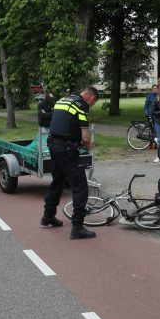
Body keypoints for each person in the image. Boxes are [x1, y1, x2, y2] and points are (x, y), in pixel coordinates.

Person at [42, 87, 99, 239]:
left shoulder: (62, 100)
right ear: (91, 98)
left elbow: (64, 124)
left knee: (58, 181)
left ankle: (48, 216)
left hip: (53, 146)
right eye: (93, 103)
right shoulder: (81, 106)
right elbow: (85, 137)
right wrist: (87, 147)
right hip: (67, 150)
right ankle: (77, 227)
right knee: (80, 187)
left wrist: (79, 142)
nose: (91, 105)